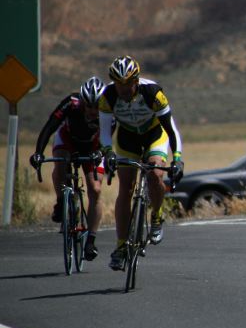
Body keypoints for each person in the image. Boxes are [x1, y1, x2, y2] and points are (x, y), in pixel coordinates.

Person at [98, 56, 185, 270]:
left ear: (136, 81)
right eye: (119, 83)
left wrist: (177, 159)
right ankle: (120, 247)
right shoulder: (107, 97)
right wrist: (108, 152)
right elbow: (104, 132)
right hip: (127, 139)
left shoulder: (153, 94)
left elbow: (171, 129)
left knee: (155, 173)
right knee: (125, 189)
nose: (124, 88)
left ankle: (156, 217)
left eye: (128, 83)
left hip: (154, 134)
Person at [29, 77, 107, 261]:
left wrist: (101, 153)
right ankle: (60, 201)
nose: (92, 111)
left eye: (96, 106)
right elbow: (50, 126)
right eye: (88, 106)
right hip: (68, 140)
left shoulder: (108, 111)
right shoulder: (71, 104)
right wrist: (38, 152)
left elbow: (108, 139)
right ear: (82, 102)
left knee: (95, 189)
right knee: (61, 162)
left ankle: (91, 241)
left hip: (94, 147)